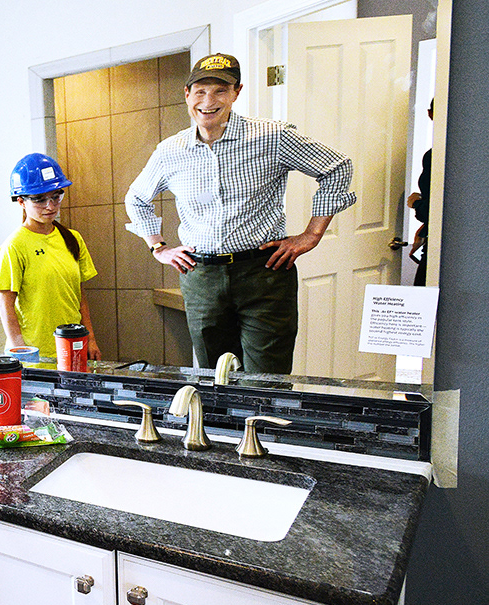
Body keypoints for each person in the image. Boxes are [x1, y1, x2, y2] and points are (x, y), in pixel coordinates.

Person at [123, 52, 356, 374]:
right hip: (201, 277)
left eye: (220, 90)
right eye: (200, 91)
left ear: (236, 92)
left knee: (266, 378)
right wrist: (158, 247)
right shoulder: (170, 151)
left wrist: (312, 234)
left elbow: (337, 167)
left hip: (264, 272)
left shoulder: (272, 136)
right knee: (215, 376)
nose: (208, 101)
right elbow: (136, 198)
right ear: (187, 94)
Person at [0, 152, 101, 365]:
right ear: (21, 201)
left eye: (55, 196)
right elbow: (6, 305)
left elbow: (79, 295)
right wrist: (20, 350)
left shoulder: (73, 238)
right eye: (40, 199)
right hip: (34, 353)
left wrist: (90, 338)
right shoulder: (14, 245)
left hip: (72, 346)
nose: (50, 206)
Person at [407, 98, 433, 287]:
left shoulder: (435, 156)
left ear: (430, 114)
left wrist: (415, 203)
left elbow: (432, 209)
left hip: (438, 248)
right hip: (433, 238)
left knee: (425, 299)